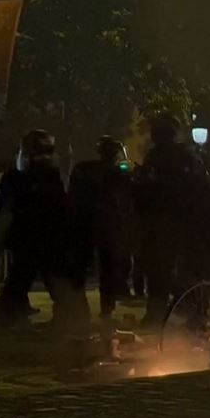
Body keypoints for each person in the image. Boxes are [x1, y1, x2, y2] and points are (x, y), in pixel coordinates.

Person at [0, 130, 89, 329]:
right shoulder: (41, 177)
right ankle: (72, 316)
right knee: (28, 278)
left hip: (39, 237)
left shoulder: (34, 177)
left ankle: (10, 316)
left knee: (26, 277)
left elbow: (10, 210)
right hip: (42, 237)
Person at [135, 115, 210, 328]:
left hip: (180, 224)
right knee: (164, 270)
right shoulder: (168, 157)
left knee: (177, 271)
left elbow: (201, 192)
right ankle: (167, 312)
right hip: (169, 223)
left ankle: (187, 312)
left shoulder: (178, 158)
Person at [69, 136, 135, 320]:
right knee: (107, 270)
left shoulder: (83, 170)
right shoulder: (117, 173)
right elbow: (125, 200)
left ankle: (76, 310)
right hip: (107, 229)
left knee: (80, 270)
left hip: (84, 226)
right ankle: (106, 310)